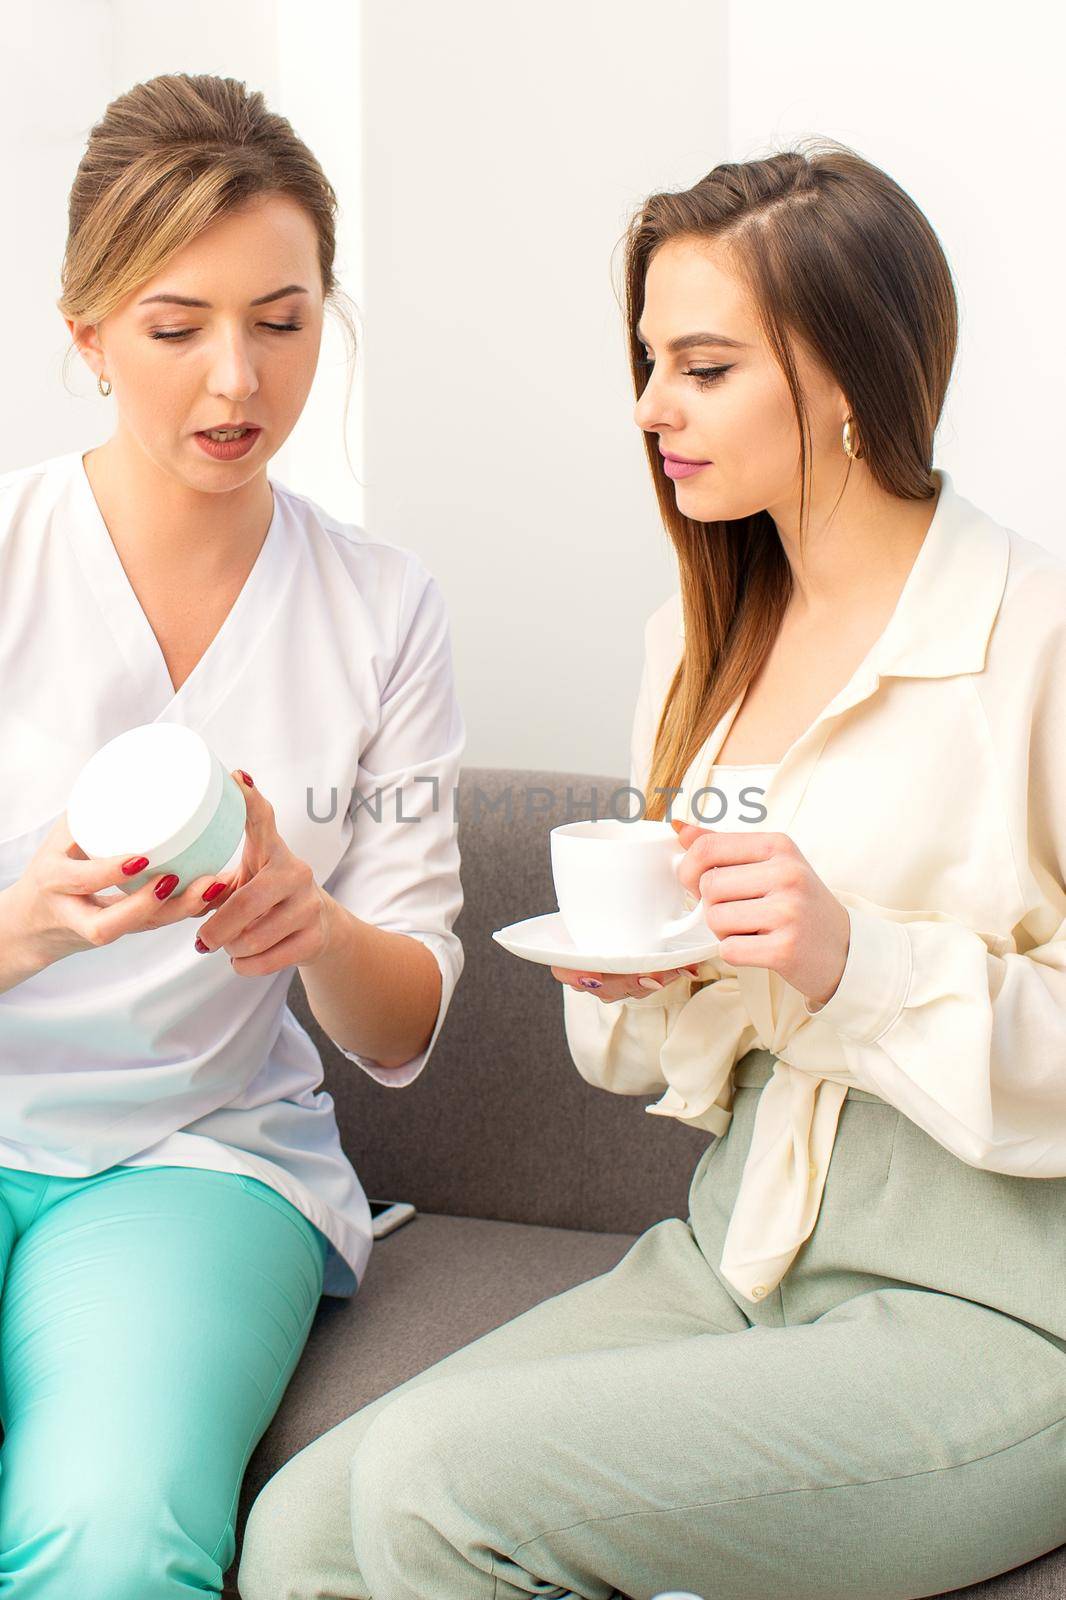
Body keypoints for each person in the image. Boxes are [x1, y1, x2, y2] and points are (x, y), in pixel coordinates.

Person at [237, 141, 1066, 1600]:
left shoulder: (1039, 642)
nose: (647, 410)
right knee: (304, 1534)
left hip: (995, 1302)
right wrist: (654, 975)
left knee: (437, 1496)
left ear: (852, 375)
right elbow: (635, 1064)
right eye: (646, 361)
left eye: (699, 366)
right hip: (734, 1247)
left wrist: (845, 957)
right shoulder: (694, 649)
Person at [0, 72, 464, 1597]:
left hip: (198, 1160)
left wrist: (308, 920)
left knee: (114, 1537)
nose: (235, 383)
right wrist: (32, 923)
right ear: (86, 338)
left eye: (281, 320)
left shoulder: (380, 607)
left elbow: (402, 1023)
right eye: (174, 324)